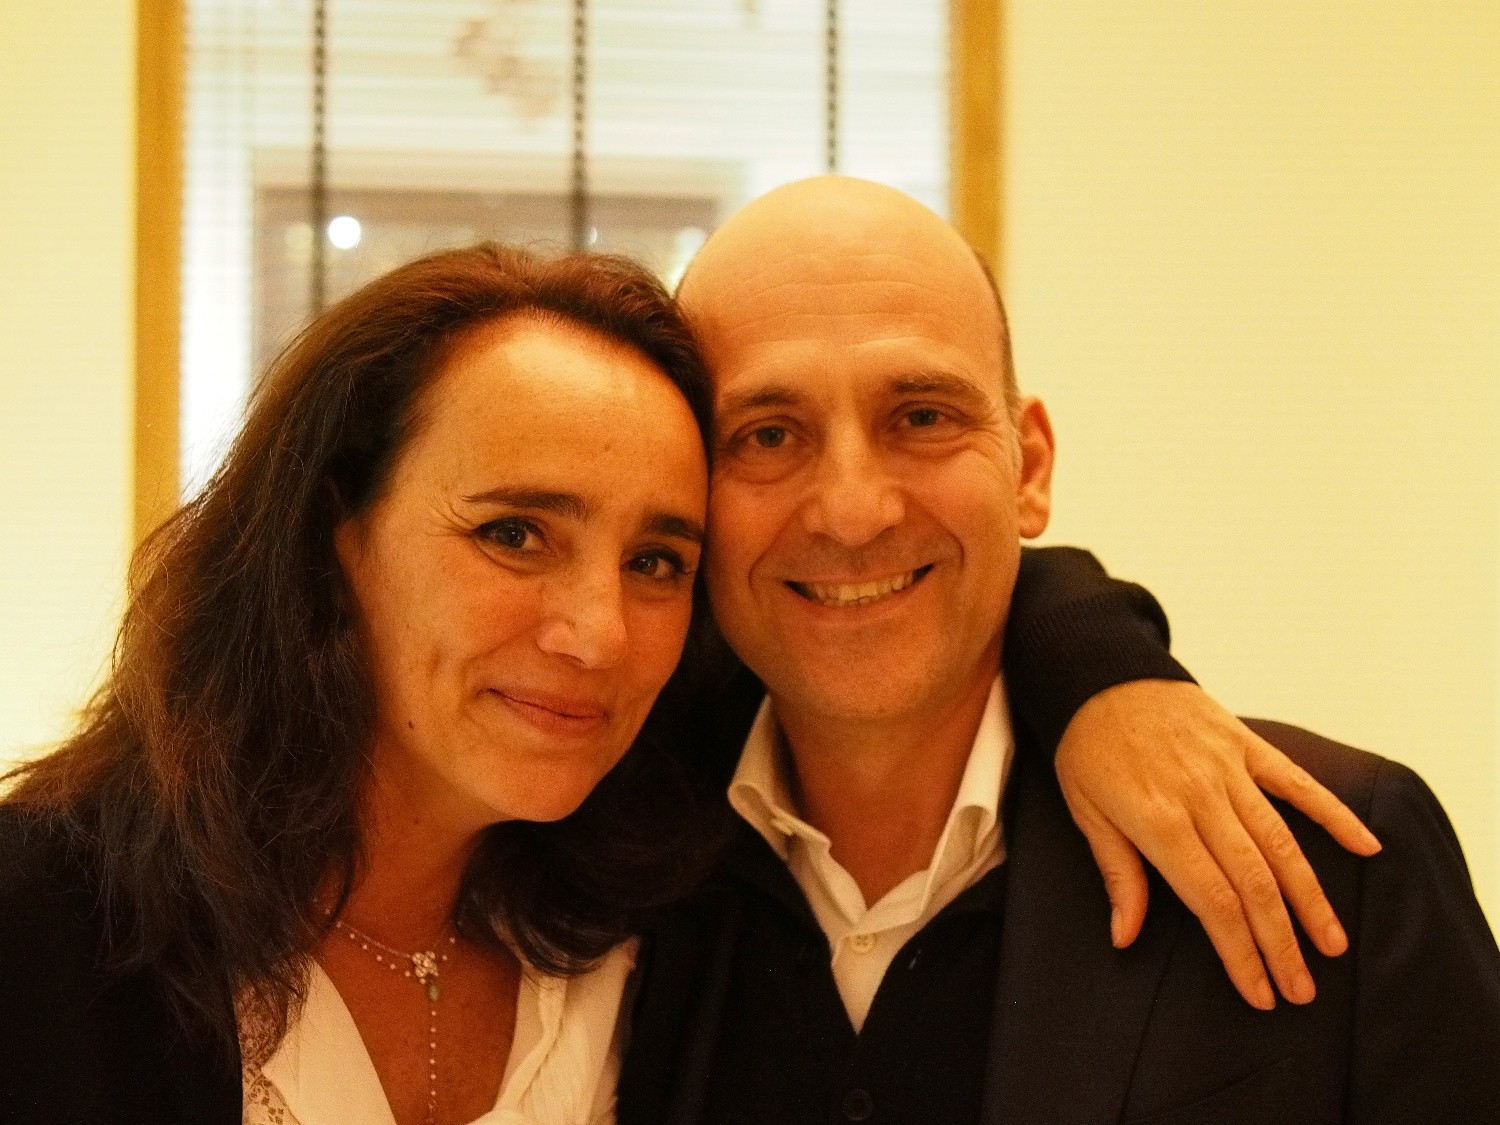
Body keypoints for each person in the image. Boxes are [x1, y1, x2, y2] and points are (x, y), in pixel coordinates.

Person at [0, 243, 1366, 1125]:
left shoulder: (643, 880)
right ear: (333, 536)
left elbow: (902, 585)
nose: (598, 632)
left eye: (658, 559)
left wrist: (1103, 675)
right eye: (514, 533)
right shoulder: (47, 920)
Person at [616, 177, 1500, 1124]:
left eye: (922, 416)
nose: (854, 510)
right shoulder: (601, 862)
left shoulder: (1330, 857)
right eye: (768, 435)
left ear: (1029, 467)